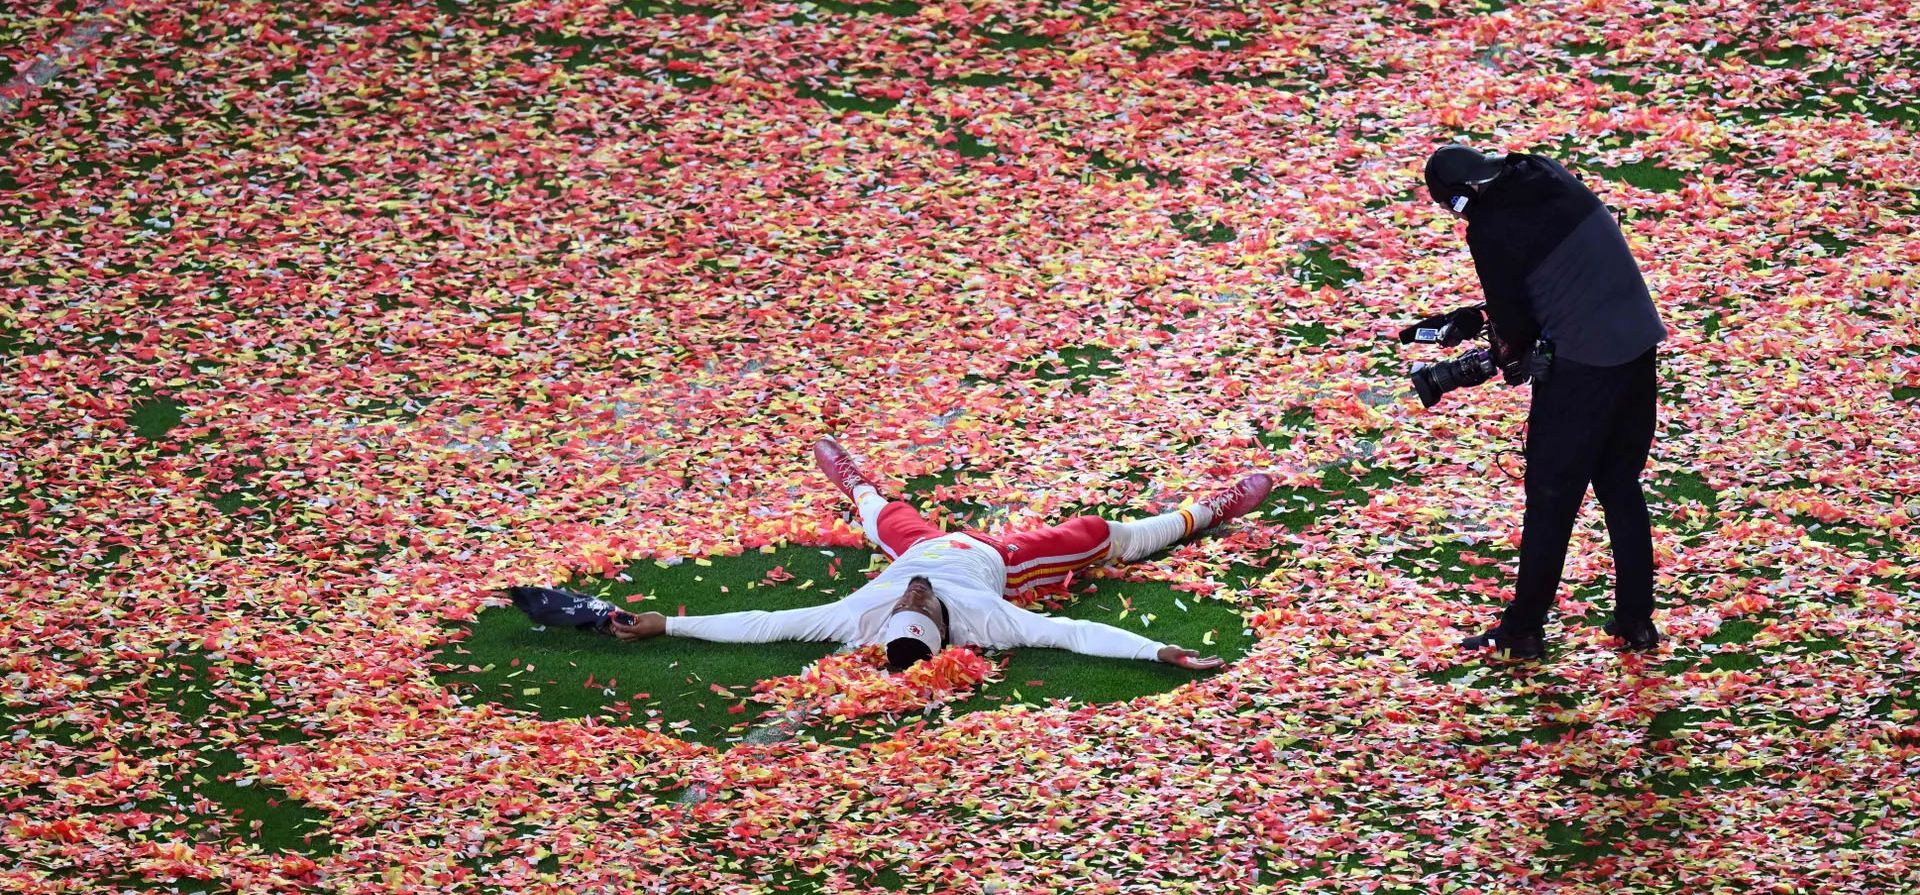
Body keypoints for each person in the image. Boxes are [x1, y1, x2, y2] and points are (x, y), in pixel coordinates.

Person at [609, 438, 1275, 671]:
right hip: (1000, 556)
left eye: (907, 597)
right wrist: (1155, 650)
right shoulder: (988, 615)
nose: (913, 591)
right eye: (919, 600)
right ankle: (1204, 513)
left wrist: (665, 622)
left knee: (883, 517)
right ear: (940, 621)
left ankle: (853, 481)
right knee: (1098, 534)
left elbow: (760, 624)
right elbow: (1073, 632)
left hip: (925, 543)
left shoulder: (860, 614)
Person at [1423, 144, 1668, 660]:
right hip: (1638, 344)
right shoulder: (1545, 173)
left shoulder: (1488, 228)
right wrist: (1475, 316)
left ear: (1463, 201)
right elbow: (1553, 275)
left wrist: (1475, 360)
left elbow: (1516, 335)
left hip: (1584, 365)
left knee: (1551, 501)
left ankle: (1523, 629)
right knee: (1621, 486)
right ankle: (1636, 620)